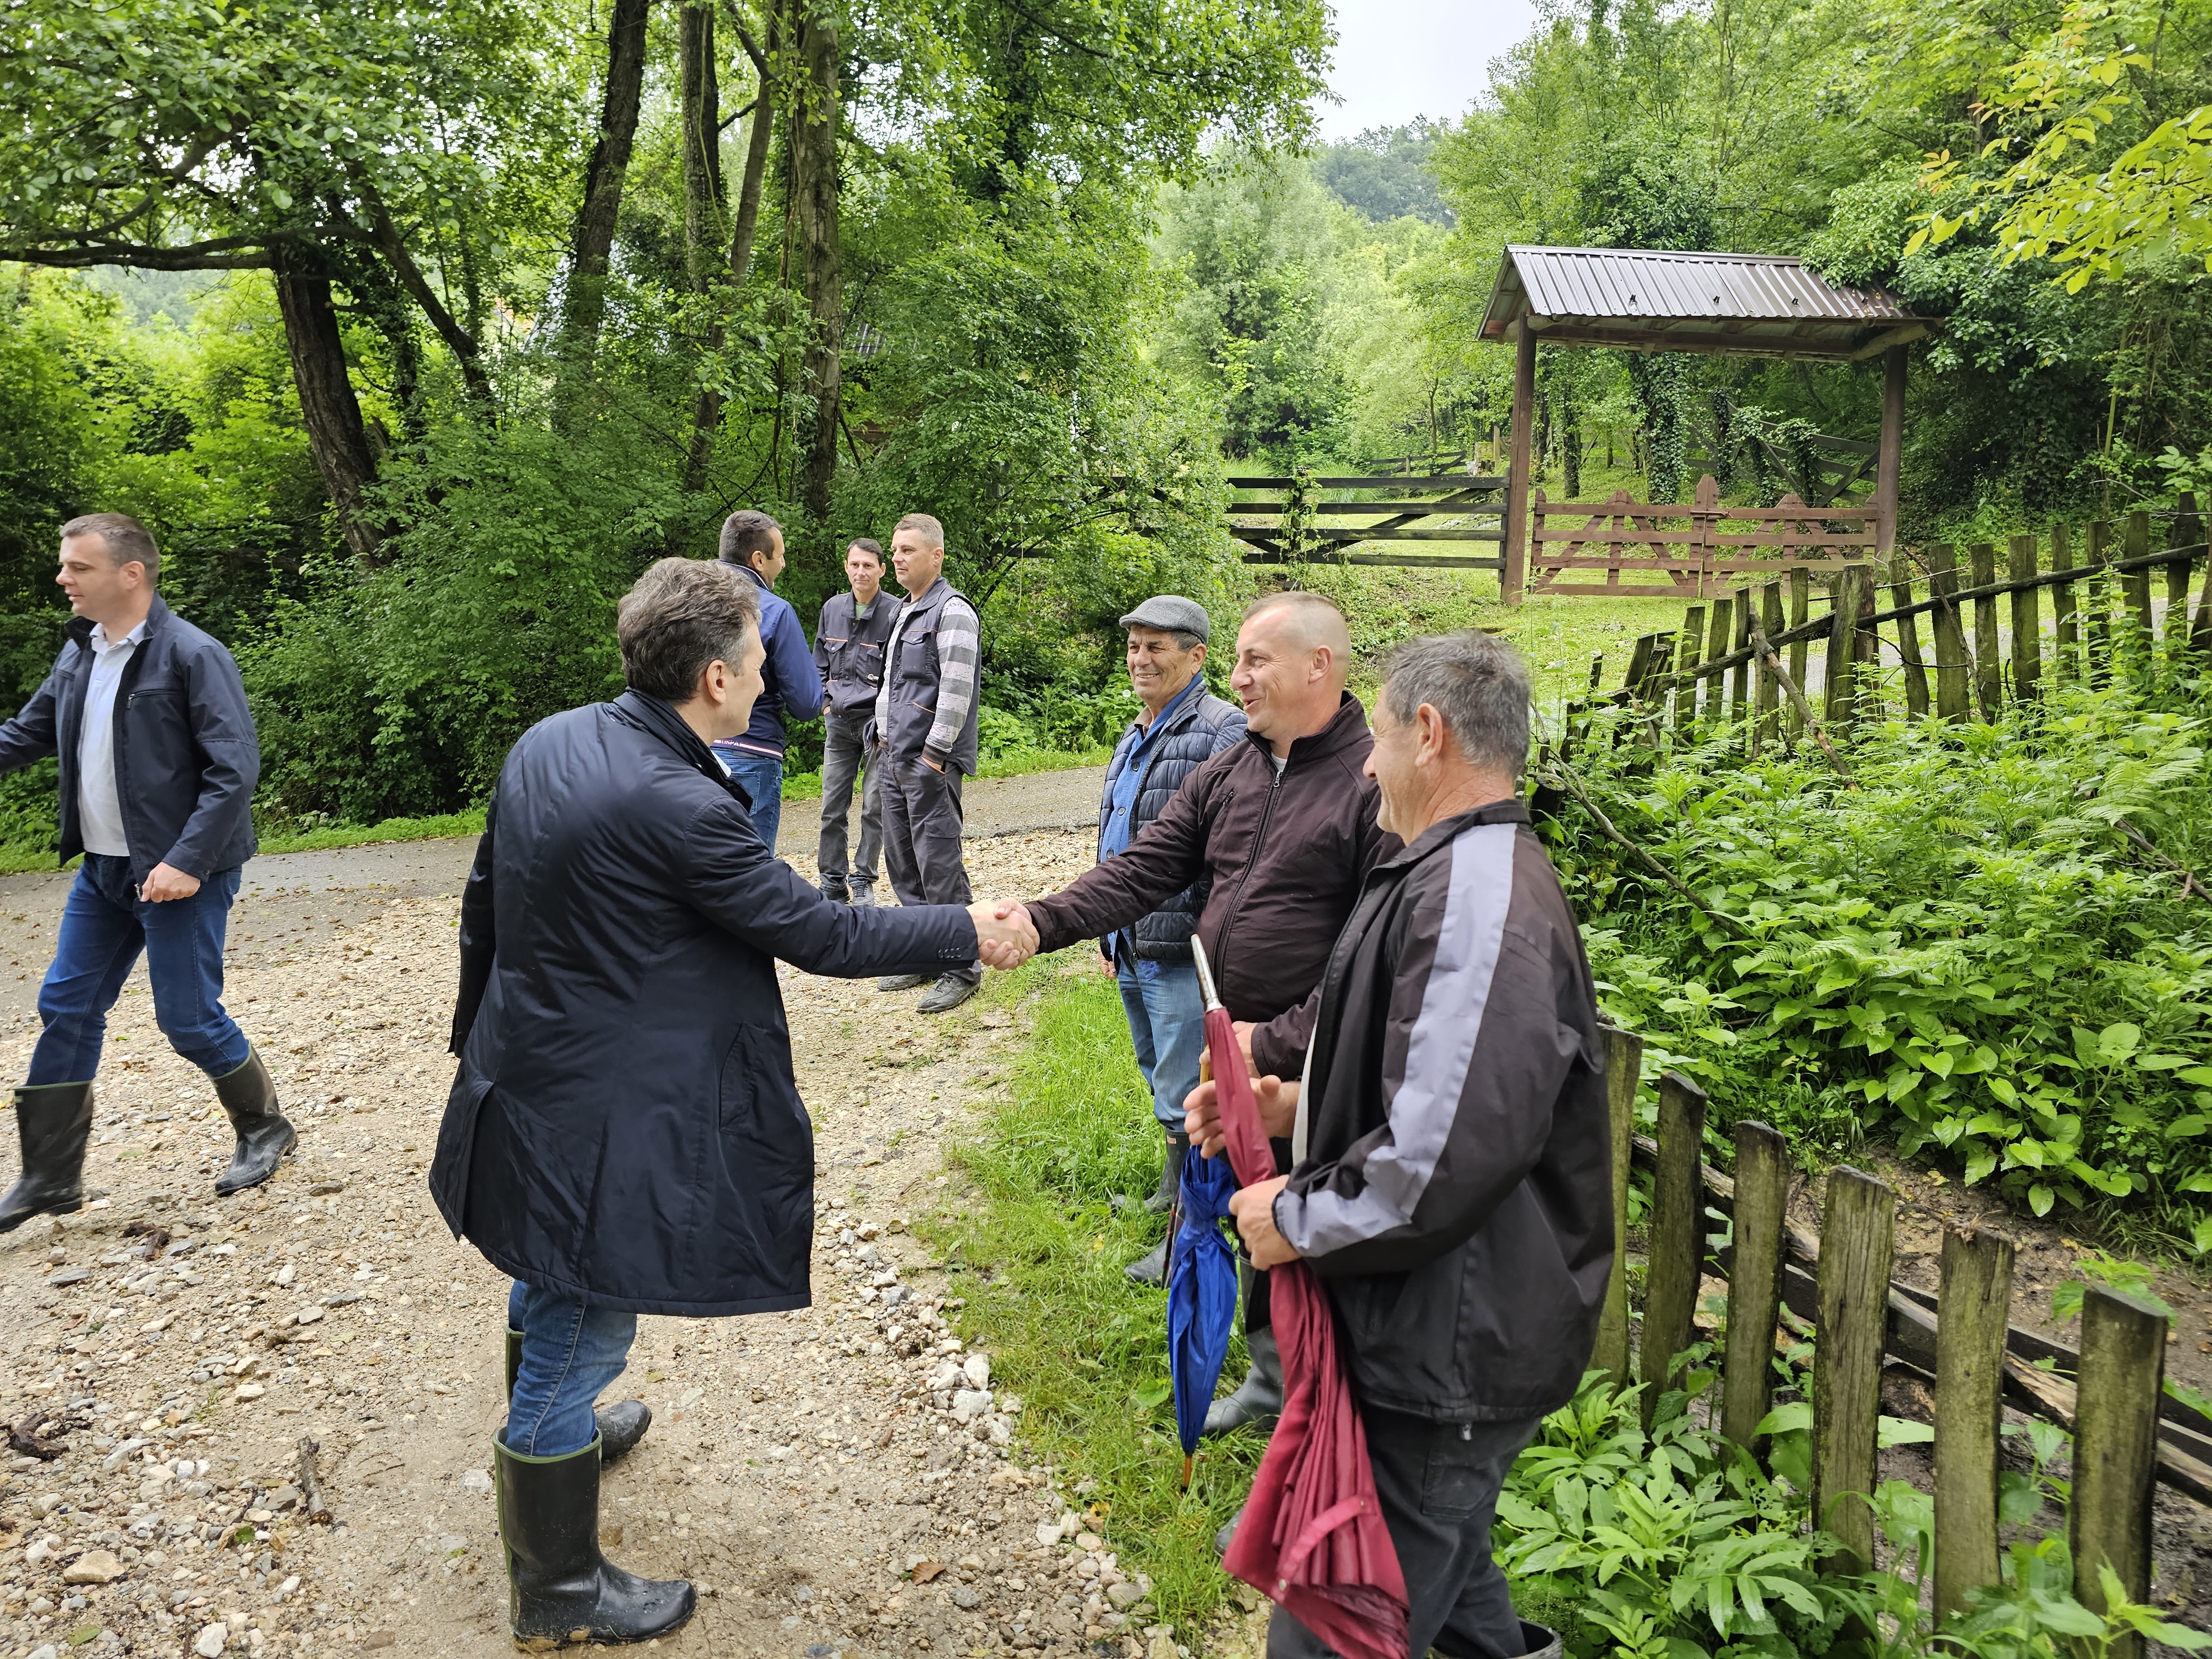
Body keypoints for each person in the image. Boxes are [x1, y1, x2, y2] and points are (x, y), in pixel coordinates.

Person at [431, 558, 1036, 1648]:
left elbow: (487, 900)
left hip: (528, 1067)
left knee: (546, 1263)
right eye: (760, 660)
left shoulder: (554, 738)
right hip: (600, 1109)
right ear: (713, 676)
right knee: (585, 1302)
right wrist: (964, 926)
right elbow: (821, 933)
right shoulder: (677, 804)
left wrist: (470, 1039)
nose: (772, 677)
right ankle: (557, 1585)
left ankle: (562, 1426)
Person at [1187, 629, 1609, 1659]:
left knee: (1334, 1630)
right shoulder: (1451, 872)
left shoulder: (1476, 896)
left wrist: (1289, 1216)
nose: (1365, 764)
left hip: (1447, 1345)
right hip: (1445, 1326)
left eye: (1376, 737)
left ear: (1429, 734)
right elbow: (1435, 1080)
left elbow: (1438, 1159)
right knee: (1458, 1602)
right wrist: (1300, 1105)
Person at [995, 591, 1396, 1433]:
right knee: (1257, 1219)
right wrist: (1042, 919)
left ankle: (1333, 1406)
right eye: (1240, 661)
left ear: (1318, 665)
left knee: (1313, 1231)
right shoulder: (1236, 768)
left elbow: (1378, 956)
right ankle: (1271, 1380)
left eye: (1256, 660)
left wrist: (1279, 1043)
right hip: (1238, 1058)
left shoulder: (1370, 784)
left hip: (1320, 1066)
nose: (1238, 677)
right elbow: (1143, 870)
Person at [0, 513, 292, 1230]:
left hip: (179, 877)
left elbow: (234, 772)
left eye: (78, 568)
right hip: (103, 875)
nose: (62, 579)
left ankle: (265, 1128)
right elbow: (26, 734)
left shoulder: (193, 655)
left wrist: (186, 863)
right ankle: (49, 1177)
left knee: (188, 1020)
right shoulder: (81, 654)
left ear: (131, 574)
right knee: (66, 1008)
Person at [1091, 596, 1245, 1285]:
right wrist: (1104, 928)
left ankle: (1190, 1238)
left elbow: (1235, 852)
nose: (1140, 659)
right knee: (1162, 1077)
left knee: (1192, 1092)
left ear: (1196, 656)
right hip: (1130, 940)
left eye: (1157, 647)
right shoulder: (1136, 731)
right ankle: (1168, 1193)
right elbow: (1119, 840)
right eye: (1133, 646)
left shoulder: (1222, 732)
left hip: (1183, 948)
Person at [873, 513, 984, 1014]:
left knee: (938, 863)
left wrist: (935, 756)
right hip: (892, 756)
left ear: (935, 556)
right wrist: (881, 741)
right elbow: (892, 687)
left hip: (929, 761)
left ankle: (961, 966)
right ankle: (924, 953)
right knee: (902, 860)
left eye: (907, 551)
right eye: (895, 551)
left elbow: (956, 691)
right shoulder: (902, 610)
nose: (896, 559)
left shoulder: (952, 610)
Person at [712, 509, 824, 852]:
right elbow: (806, 703)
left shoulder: (687, 598)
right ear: (759, 559)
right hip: (752, 752)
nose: (784, 564)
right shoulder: (774, 610)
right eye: (781, 555)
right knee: (750, 875)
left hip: (689, 749)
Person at [813, 537, 902, 905]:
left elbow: (900, 671)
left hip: (878, 725)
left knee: (874, 805)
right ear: (847, 568)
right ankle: (831, 883)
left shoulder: (897, 611)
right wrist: (823, 701)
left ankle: (864, 877)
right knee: (832, 806)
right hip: (838, 721)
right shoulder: (832, 608)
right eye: (855, 565)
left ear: (883, 570)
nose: (861, 572)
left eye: (869, 565)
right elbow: (819, 658)